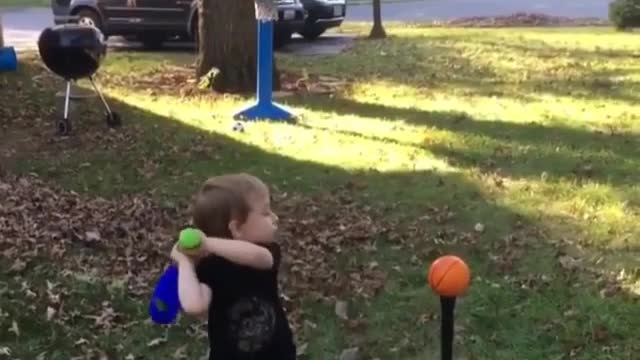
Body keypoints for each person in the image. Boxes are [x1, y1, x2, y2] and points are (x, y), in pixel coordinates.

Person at [170, 173, 296, 360]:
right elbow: (194, 305)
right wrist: (185, 262)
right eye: (266, 212)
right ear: (236, 228)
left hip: (277, 353)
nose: (274, 217)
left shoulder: (267, 251)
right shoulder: (209, 268)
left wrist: (207, 243)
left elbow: (260, 257)